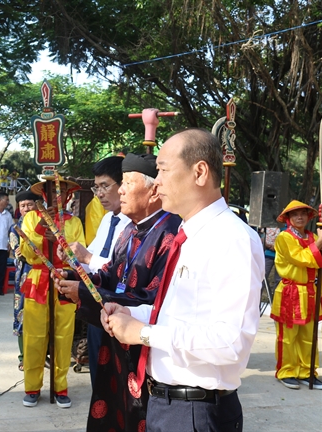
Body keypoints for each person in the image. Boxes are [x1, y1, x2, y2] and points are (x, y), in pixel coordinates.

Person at [99, 128, 264, 432]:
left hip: (195, 412)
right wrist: (132, 315)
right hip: (167, 404)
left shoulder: (231, 239)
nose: (156, 181)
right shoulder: (189, 236)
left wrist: (145, 333)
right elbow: (180, 316)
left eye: (162, 169)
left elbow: (230, 342)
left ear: (199, 172)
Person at [56, 153, 181, 431]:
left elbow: (152, 299)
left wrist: (86, 294)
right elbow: (110, 275)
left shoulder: (171, 234)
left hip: (145, 354)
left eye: (126, 182)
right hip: (117, 346)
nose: (119, 190)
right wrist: (73, 278)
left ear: (153, 190)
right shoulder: (129, 231)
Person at [66, 156, 132, 390]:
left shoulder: (134, 224)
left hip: (120, 306)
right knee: (99, 376)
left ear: (124, 185)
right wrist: (72, 265)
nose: (100, 193)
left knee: (119, 380)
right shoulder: (107, 220)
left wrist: (86, 258)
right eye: (97, 187)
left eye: (105, 186)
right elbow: (89, 260)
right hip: (98, 305)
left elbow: (122, 270)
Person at [19, 177, 84, 409]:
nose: (58, 196)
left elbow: (78, 256)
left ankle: (60, 387)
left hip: (63, 281)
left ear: (68, 195)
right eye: (53, 191)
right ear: (44, 194)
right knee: (34, 337)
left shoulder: (73, 221)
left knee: (63, 335)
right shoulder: (30, 217)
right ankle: (32, 387)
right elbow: (26, 252)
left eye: (62, 191)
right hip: (38, 280)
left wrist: (60, 242)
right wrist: (39, 233)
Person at [270, 200, 322, 390]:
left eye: (303, 213)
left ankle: (307, 372)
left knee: (309, 336)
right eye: (295, 214)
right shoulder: (284, 238)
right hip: (290, 293)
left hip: (310, 292)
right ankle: (287, 371)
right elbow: (302, 259)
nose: (299, 217)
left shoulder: (312, 236)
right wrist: (319, 242)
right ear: (288, 218)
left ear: (309, 217)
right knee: (288, 336)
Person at [8, 190, 39, 371]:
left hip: (43, 276)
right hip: (24, 279)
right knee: (23, 316)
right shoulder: (15, 229)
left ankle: (42, 354)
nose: (26, 209)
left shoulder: (43, 226)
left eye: (30, 204)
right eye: (23, 206)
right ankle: (23, 357)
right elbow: (20, 254)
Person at [262, 226, 282, 298]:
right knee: (262, 277)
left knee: (279, 281)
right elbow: (260, 237)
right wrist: (265, 244)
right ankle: (257, 301)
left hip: (281, 256)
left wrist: (276, 247)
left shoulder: (286, 226)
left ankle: (276, 301)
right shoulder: (266, 225)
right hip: (267, 254)